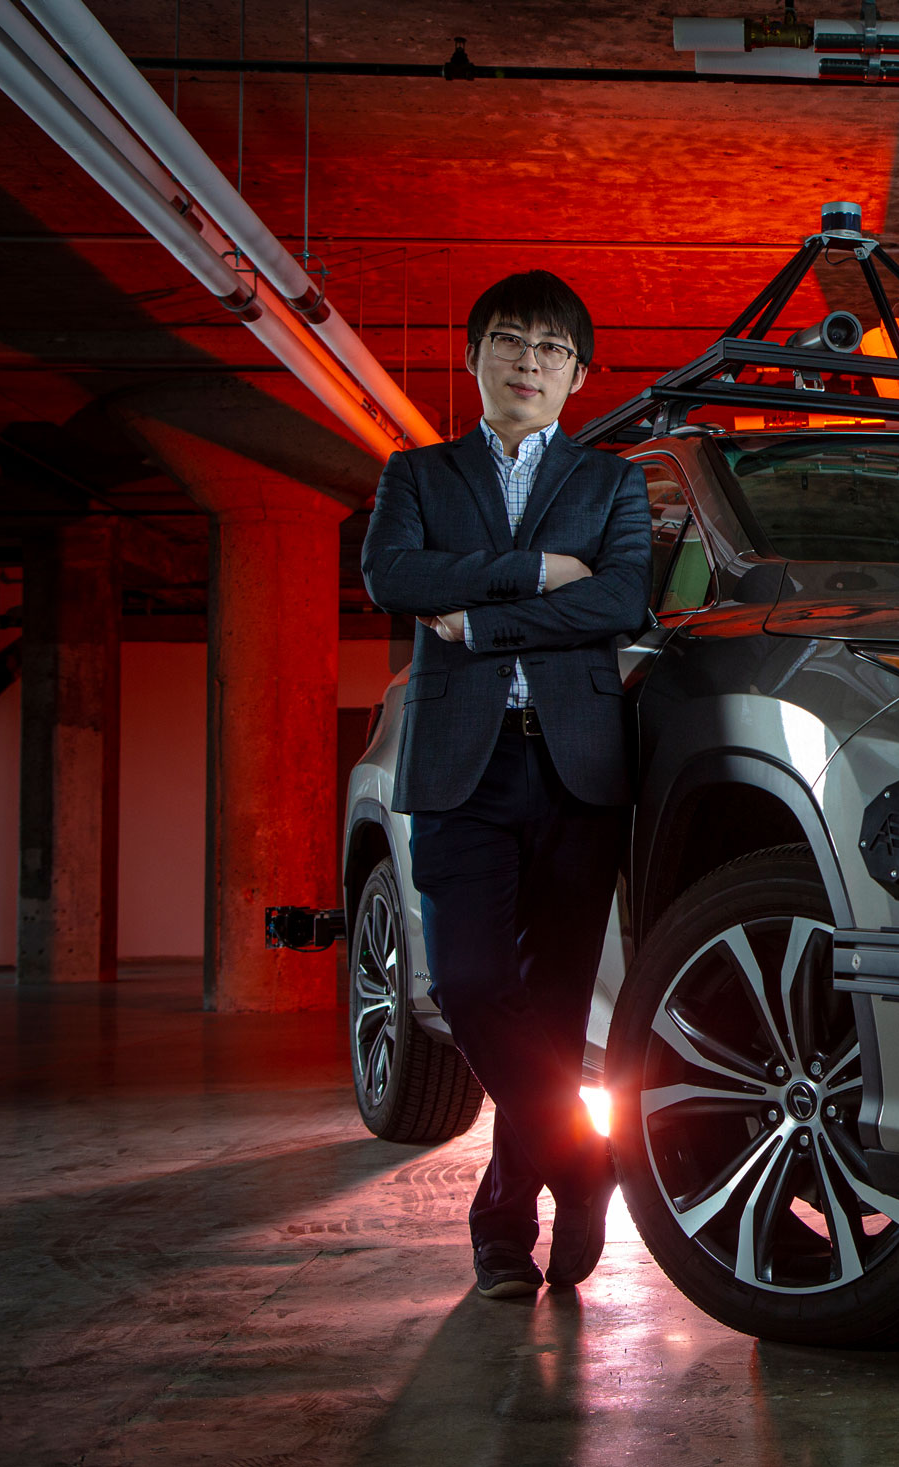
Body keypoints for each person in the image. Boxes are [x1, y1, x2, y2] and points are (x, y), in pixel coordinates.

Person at [360, 270, 650, 1299]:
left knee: (558, 1001)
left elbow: (621, 597)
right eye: (510, 342)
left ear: (577, 373)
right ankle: (581, 1164)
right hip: (459, 770)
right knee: (475, 985)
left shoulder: (612, 483)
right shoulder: (419, 474)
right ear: (474, 353)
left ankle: (501, 1216)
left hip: (572, 764)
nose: (528, 362)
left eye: (550, 348)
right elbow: (394, 577)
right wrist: (535, 574)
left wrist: (480, 616)